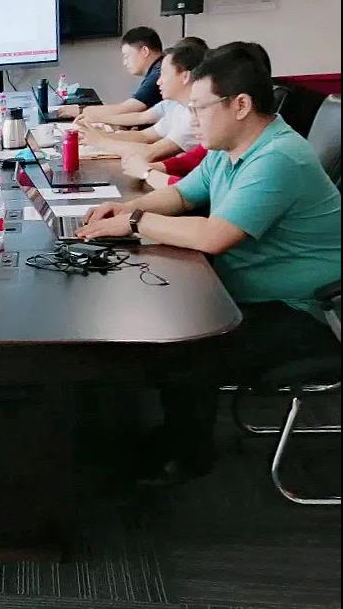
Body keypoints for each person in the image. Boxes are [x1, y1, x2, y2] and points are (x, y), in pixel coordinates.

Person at [76, 45, 342, 485]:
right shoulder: (228, 147)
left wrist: (136, 222)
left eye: (199, 108)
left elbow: (214, 235)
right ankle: (160, 435)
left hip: (310, 312)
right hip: (249, 290)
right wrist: (125, 210)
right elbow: (183, 195)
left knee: (184, 345)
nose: (192, 118)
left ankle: (188, 456)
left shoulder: (278, 158)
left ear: (240, 105)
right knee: (167, 314)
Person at [120, 43, 270, 191]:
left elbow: (196, 194)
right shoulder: (221, 148)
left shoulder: (269, 158)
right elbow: (192, 170)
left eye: (202, 107)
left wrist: (147, 172)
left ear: (242, 105)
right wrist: (148, 169)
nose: (194, 120)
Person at [77, 41, 207, 160]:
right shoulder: (177, 106)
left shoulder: (194, 116)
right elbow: (145, 136)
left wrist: (101, 141)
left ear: (185, 76)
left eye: (164, 74)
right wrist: (96, 136)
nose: (158, 81)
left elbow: (151, 151)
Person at [61, 26, 164, 121]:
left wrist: (80, 111)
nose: (125, 63)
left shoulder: (158, 74)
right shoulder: (159, 67)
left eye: (127, 56)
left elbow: (128, 109)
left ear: (145, 51)